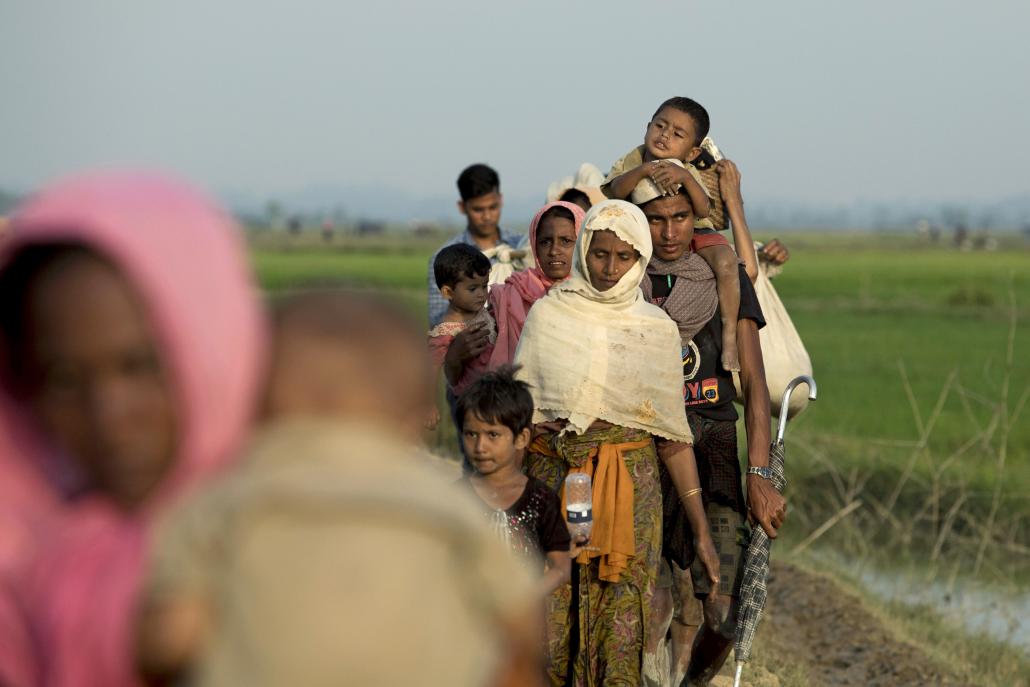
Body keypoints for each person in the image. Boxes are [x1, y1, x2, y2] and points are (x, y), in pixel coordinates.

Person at [136, 292, 544, 687]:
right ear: (412, 419)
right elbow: (521, 619)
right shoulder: (445, 501)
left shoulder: (222, 499)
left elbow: (171, 635)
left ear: (254, 406)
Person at [0, 171, 266, 687]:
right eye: (63, 381)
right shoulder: (18, 561)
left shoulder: (312, 539)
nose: (109, 415)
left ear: (214, 346)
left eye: (140, 366)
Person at [513, 199, 720, 686]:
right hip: (552, 486)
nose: (609, 268)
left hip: (630, 492)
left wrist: (701, 529)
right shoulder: (548, 316)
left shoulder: (655, 330)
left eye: (623, 257)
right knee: (547, 616)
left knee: (621, 619)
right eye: (600, 254)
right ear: (586, 251)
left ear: (641, 259)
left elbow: (671, 438)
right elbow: (518, 413)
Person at [634, 180, 788, 685]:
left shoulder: (723, 278)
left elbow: (758, 385)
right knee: (648, 607)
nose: (669, 231)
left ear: (694, 219)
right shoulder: (626, 279)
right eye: (655, 219)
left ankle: (694, 682)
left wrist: (760, 474)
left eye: (679, 217)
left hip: (716, 454)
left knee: (723, 612)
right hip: (645, 458)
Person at [601, 96, 759, 373]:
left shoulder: (686, 170)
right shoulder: (632, 160)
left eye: (677, 134)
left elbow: (702, 210)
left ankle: (730, 335)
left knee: (726, 261)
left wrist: (685, 177)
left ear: (693, 153)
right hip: (641, 233)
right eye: (660, 126)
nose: (665, 136)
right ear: (647, 127)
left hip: (695, 230)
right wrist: (643, 171)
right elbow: (615, 191)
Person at [456, 367, 575, 599]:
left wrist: (523, 600)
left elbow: (561, 568)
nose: (480, 447)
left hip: (521, 624)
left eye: (493, 435)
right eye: (471, 434)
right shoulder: (455, 498)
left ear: (521, 438)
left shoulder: (541, 499)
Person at [488, 201, 585, 367]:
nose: (554, 251)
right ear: (534, 244)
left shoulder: (594, 294)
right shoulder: (512, 292)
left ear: (583, 243)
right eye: (545, 242)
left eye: (566, 241)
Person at [427, 164, 520, 327]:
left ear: (501, 200)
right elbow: (438, 324)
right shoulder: (444, 257)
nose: (487, 216)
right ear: (462, 207)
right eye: (478, 209)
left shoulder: (520, 247)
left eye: (493, 207)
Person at [428, 244, 496, 397]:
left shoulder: (482, 312)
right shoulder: (446, 330)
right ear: (448, 292)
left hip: (495, 392)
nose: (481, 294)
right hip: (472, 399)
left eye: (484, 286)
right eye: (473, 289)